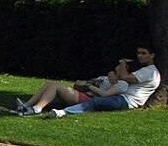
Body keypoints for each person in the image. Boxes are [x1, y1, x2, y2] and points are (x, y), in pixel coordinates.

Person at [13, 46, 160, 116]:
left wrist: (121, 64)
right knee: (51, 85)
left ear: (152, 55)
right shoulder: (110, 78)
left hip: (123, 100)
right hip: (105, 96)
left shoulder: (149, 72)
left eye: (143, 53)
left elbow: (122, 80)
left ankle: (38, 109)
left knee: (58, 88)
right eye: (138, 53)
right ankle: (27, 106)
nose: (140, 56)